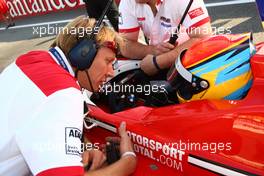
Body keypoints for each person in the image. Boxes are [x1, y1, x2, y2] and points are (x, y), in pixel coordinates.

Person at [0, 16, 136, 176]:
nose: (111, 72)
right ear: (84, 54)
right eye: (108, 61)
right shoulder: (64, 93)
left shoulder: (29, 59)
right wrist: (128, 161)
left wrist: (84, 145)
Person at [118, 0, 212, 76]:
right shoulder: (127, 2)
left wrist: (159, 62)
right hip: (156, 63)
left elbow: (203, 39)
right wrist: (153, 50)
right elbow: (125, 44)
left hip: (194, 65)